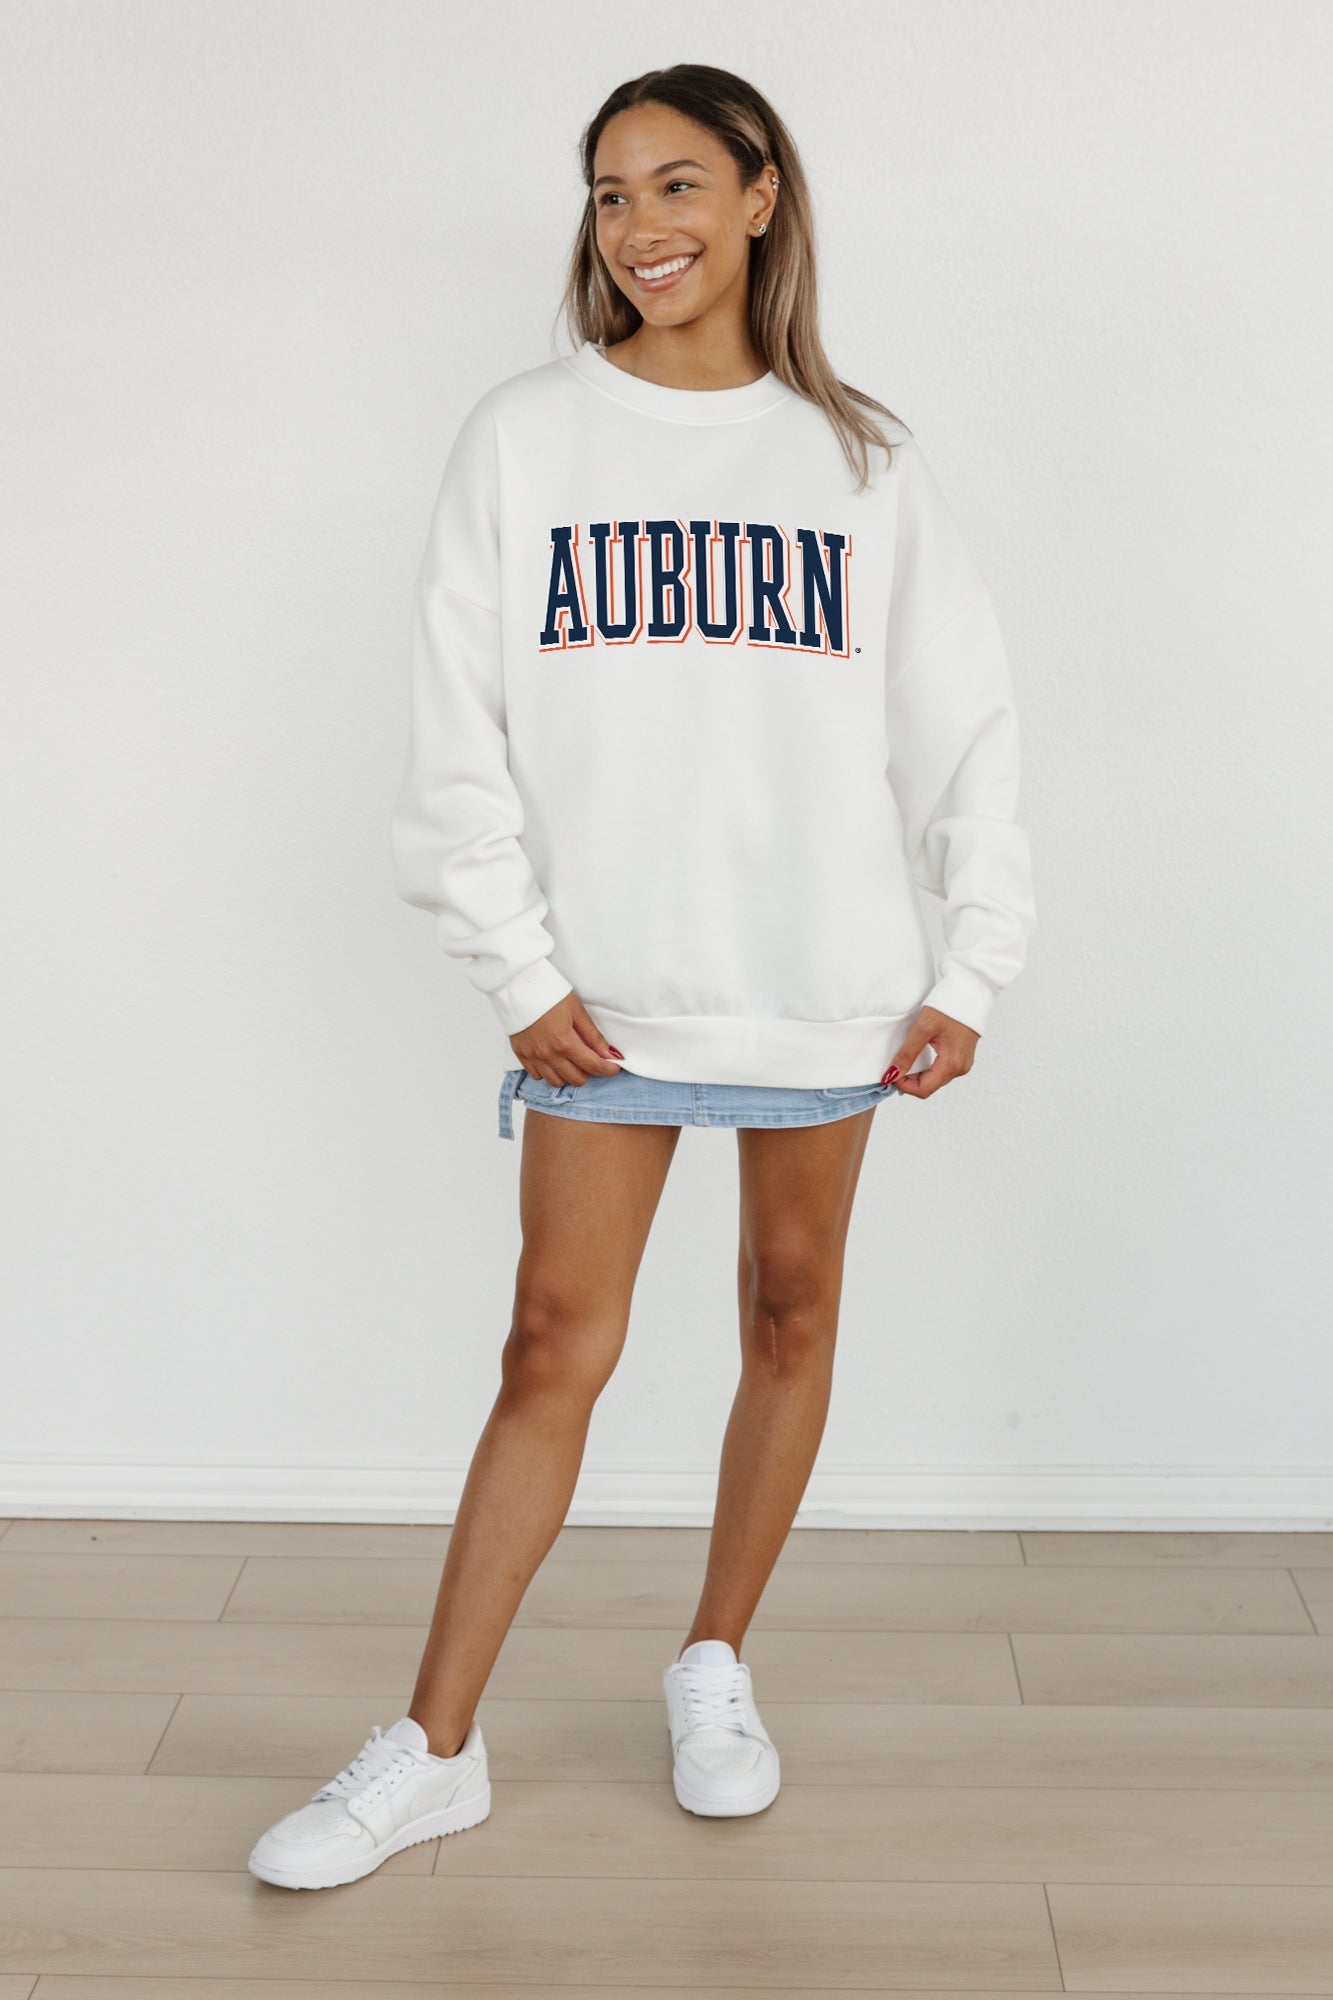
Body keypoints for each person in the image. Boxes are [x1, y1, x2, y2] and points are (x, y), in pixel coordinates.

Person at [248, 61, 1036, 1892]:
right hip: (601, 997)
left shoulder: (863, 462)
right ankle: (433, 1749)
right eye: (608, 194)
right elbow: (455, 729)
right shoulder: (527, 437)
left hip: (824, 979)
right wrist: (515, 965)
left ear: (761, 195)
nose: (638, 225)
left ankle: (714, 1660)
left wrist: (973, 963)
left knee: (789, 1315)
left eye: (676, 183)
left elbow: (965, 731)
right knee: (553, 1344)